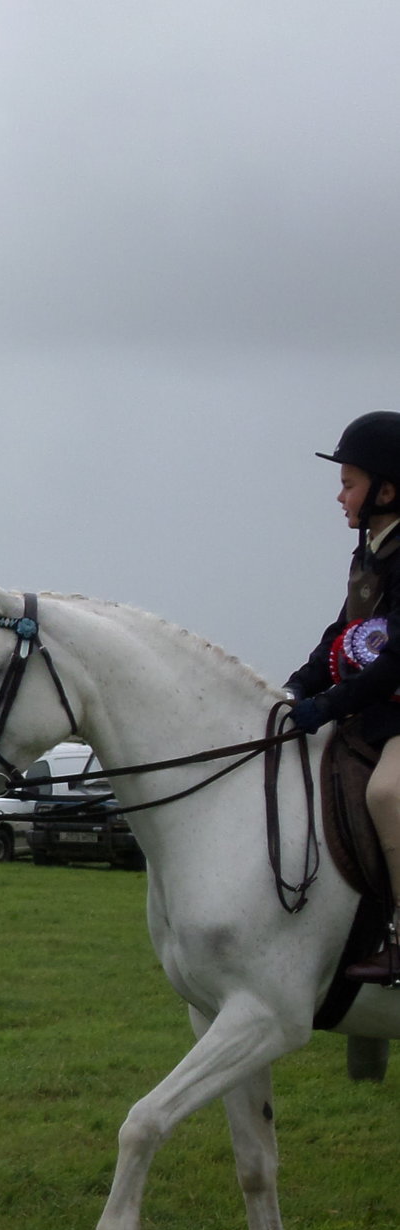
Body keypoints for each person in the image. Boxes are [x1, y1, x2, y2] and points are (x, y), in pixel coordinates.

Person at [287, 410, 400, 982]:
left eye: (348, 483)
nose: (339, 496)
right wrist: (297, 688)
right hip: (375, 712)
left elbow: (397, 659)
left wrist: (329, 706)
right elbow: (340, 636)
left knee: (387, 792)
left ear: (386, 488)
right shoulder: (369, 555)